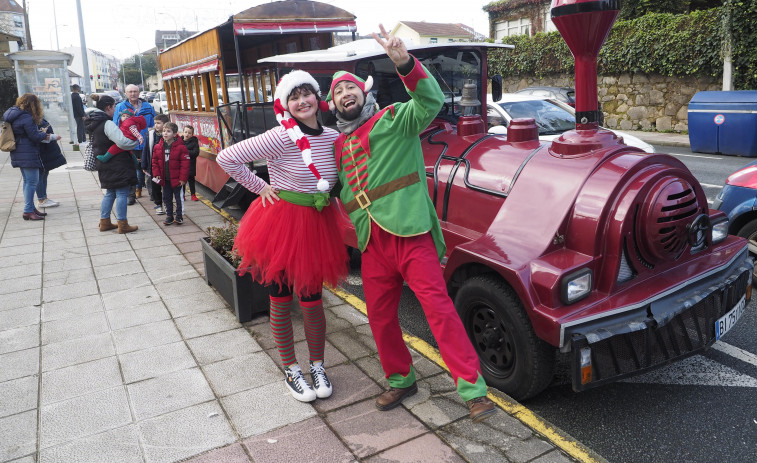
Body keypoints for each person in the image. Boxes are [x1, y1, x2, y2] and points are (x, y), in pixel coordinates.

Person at [325, 25, 496, 422]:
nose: (345, 95)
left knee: (438, 311)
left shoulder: (394, 120)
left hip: (409, 232)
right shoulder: (337, 143)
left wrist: (403, 62)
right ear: (333, 104)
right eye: (337, 92)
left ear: (364, 92)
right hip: (373, 242)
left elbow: (430, 99)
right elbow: (342, 186)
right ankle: (401, 379)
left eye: (351, 88)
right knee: (381, 317)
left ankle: (473, 390)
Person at [216, 70, 349, 403]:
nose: (302, 101)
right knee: (280, 296)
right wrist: (261, 188)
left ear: (318, 99)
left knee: (312, 300)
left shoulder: (332, 137)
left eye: (307, 94)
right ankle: (291, 368)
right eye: (294, 96)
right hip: (281, 223)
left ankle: (317, 365)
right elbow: (227, 157)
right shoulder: (281, 135)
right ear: (286, 105)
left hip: (318, 223)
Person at [86, 94, 140, 233]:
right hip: (116, 163)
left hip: (104, 162)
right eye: (114, 106)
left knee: (110, 193)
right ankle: (123, 224)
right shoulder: (107, 123)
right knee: (122, 192)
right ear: (109, 107)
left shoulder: (93, 122)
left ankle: (104, 222)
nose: (115, 109)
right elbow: (122, 142)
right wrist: (135, 142)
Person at [3, 93, 60, 220]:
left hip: (20, 152)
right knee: (32, 182)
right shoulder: (26, 117)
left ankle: (31, 208)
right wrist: (48, 136)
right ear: (34, 105)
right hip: (28, 153)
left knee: (27, 182)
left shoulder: (15, 115)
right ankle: (28, 210)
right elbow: (34, 136)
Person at [114, 84, 155, 204]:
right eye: (130, 92)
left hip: (146, 143)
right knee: (131, 169)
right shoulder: (120, 107)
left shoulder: (147, 106)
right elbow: (116, 125)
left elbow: (153, 123)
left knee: (149, 168)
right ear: (126, 93)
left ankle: (153, 193)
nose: (133, 94)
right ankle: (131, 195)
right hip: (129, 143)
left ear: (139, 93)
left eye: (135, 91)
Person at [151, 122, 189, 225]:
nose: (165, 133)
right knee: (166, 197)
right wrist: (156, 174)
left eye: (168, 131)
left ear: (175, 134)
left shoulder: (181, 147)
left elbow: (185, 164)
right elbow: (154, 162)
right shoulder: (157, 147)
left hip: (177, 179)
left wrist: (182, 179)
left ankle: (179, 216)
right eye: (164, 131)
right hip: (165, 178)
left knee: (178, 198)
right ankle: (169, 216)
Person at [142, 113, 169, 214]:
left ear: (165, 124)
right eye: (155, 123)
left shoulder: (169, 134)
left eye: (159, 123)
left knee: (167, 187)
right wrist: (144, 165)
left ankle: (167, 204)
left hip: (166, 166)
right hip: (153, 166)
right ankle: (158, 204)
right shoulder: (150, 135)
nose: (156, 125)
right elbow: (145, 150)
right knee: (155, 186)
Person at [37, 119, 67, 208]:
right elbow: (36, 135)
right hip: (39, 152)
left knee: (44, 173)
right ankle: (41, 199)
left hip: (44, 151)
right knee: (39, 176)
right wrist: (52, 137)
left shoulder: (36, 117)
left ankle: (44, 198)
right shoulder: (31, 118)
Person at [182, 125, 200, 201]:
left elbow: (195, 153)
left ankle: (193, 194)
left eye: (189, 133)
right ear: (183, 132)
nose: (187, 134)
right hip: (181, 165)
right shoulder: (179, 141)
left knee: (191, 180)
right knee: (182, 181)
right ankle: (182, 195)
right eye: (185, 132)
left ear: (192, 134)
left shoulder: (194, 142)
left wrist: (185, 152)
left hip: (191, 165)